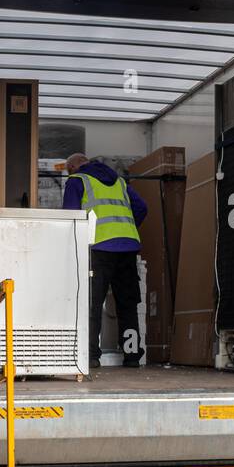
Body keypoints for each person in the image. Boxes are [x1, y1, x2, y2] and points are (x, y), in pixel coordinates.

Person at [62, 152, 148, 368]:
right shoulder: (119, 181)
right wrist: (125, 229)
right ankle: (132, 356)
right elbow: (142, 207)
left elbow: (70, 216)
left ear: (72, 167)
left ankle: (91, 356)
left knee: (92, 303)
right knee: (128, 304)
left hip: (98, 248)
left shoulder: (76, 181)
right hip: (128, 246)